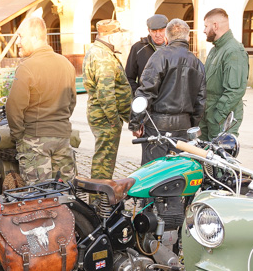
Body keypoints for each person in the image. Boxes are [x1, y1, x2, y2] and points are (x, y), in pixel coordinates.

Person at [6, 16, 78, 183]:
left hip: (34, 140)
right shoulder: (66, 64)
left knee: (38, 198)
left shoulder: (27, 67)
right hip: (62, 138)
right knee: (65, 195)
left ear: (35, 36)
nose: (18, 42)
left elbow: (13, 108)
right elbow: (72, 102)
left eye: (21, 36)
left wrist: (19, 136)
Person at [132, 18, 205, 163]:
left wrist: (135, 122)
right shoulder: (197, 62)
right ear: (188, 37)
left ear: (167, 36)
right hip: (183, 125)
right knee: (177, 171)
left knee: (152, 172)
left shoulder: (159, 56)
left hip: (157, 124)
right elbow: (201, 100)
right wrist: (192, 124)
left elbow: (145, 91)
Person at [83, 19, 131, 179]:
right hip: (105, 118)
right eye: (120, 35)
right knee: (103, 162)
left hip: (102, 115)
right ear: (111, 37)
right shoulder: (102, 56)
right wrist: (114, 120)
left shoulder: (100, 51)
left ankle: (100, 198)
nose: (122, 40)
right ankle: (99, 200)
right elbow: (106, 93)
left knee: (103, 160)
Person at [202, 8, 248, 140]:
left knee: (220, 157)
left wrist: (217, 116)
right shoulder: (215, 50)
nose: (204, 30)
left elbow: (235, 90)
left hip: (221, 116)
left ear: (215, 26)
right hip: (209, 113)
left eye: (206, 26)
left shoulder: (234, 50)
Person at [125, 13, 168, 94]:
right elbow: (129, 77)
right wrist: (138, 95)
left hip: (169, 101)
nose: (158, 35)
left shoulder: (173, 48)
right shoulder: (137, 48)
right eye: (154, 31)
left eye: (161, 31)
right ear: (149, 31)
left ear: (167, 30)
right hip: (146, 100)